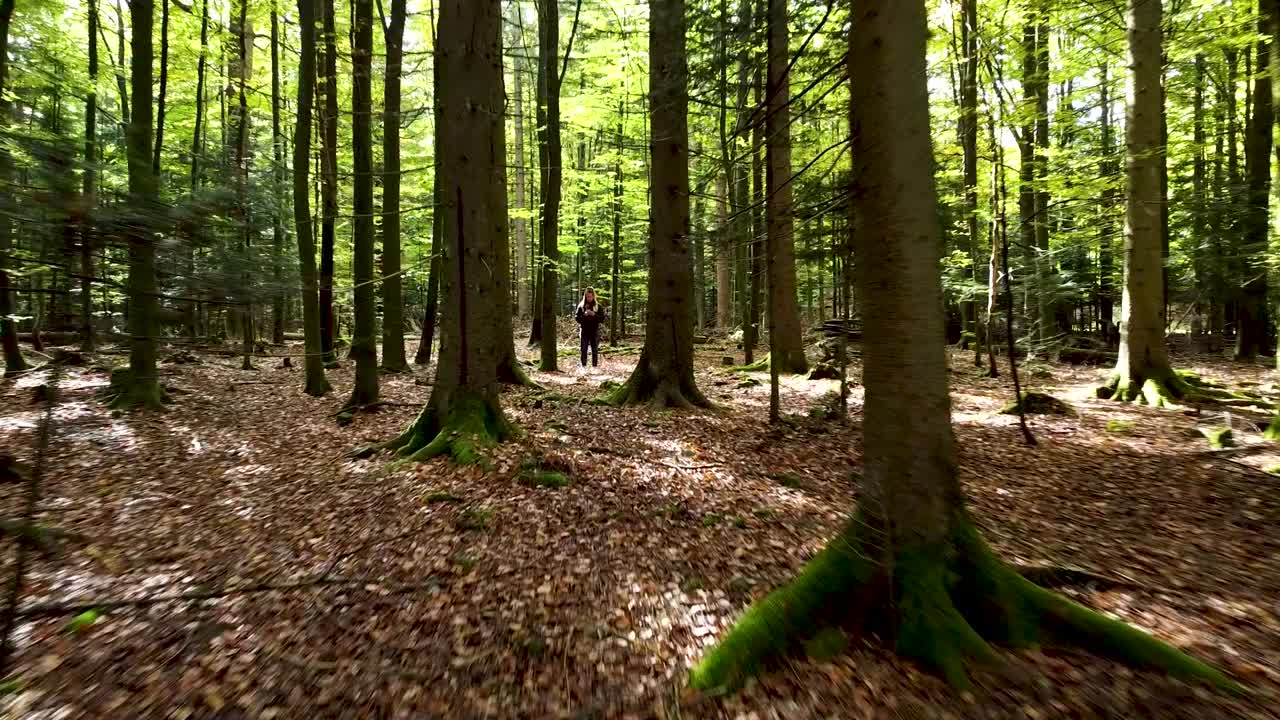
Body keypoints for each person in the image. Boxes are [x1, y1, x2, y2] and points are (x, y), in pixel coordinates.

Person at [575, 287, 606, 368]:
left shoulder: (598, 306)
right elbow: (577, 318)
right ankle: (583, 366)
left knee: (594, 349)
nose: (589, 298)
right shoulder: (581, 306)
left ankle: (594, 367)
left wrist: (594, 314)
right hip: (584, 330)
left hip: (594, 330)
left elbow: (602, 319)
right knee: (583, 349)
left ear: (593, 296)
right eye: (587, 296)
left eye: (591, 296)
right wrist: (584, 315)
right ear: (585, 296)